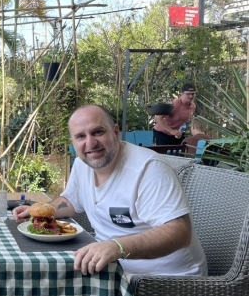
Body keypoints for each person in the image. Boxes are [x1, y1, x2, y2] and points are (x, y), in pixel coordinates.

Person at [13, 104, 207, 276]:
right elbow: (71, 201)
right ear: (73, 142)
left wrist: (117, 247)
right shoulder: (83, 165)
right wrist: (40, 210)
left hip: (166, 280)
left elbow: (179, 233)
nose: (90, 143)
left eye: (98, 132)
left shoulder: (148, 168)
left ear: (115, 132)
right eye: (81, 136)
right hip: (111, 267)